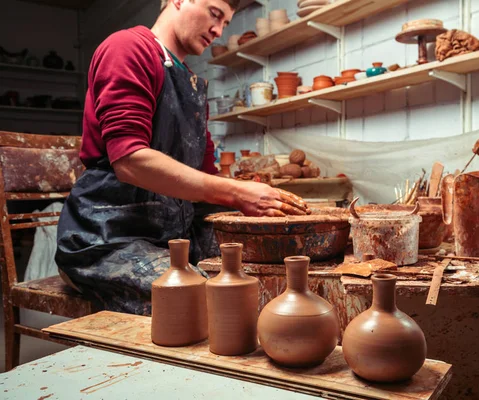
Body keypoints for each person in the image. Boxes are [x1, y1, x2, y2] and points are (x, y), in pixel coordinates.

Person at [55, 0, 307, 315]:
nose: (217, 30)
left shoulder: (190, 83)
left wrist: (262, 203)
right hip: (109, 236)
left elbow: (205, 174)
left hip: (174, 233)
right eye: (214, 14)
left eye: (226, 23)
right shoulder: (128, 48)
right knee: (213, 301)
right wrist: (238, 192)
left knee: (270, 268)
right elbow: (129, 160)